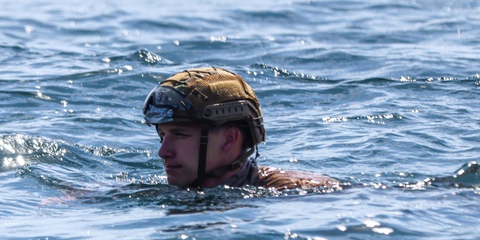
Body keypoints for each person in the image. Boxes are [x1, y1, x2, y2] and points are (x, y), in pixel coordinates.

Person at [142, 66, 339, 190]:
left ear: (229, 140)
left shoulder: (296, 193)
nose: (163, 152)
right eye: (163, 135)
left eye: (180, 134)